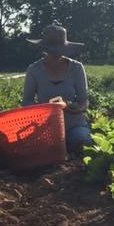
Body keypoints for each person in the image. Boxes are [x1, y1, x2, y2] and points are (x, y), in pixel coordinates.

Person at [23, 24, 92, 152]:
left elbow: (84, 100)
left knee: (83, 141)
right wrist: (43, 111)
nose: (55, 54)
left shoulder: (76, 68)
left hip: (74, 125)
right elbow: (27, 101)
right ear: (44, 49)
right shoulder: (34, 70)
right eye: (51, 50)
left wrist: (74, 108)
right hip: (44, 126)